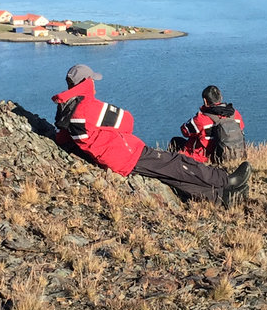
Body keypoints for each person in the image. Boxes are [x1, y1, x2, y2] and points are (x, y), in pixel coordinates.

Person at [53, 65, 247, 205]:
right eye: (93, 80)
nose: (95, 84)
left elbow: (63, 138)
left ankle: (222, 197)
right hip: (127, 153)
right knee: (179, 164)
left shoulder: (66, 110)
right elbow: (127, 122)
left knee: (172, 177)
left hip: (116, 158)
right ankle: (226, 180)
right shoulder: (88, 106)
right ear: (87, 83)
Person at [172, 85, 246, 165]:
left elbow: (184, 131)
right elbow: (241, 128)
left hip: (203, 158)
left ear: (205, 101)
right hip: (232, 154)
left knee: (175, 141)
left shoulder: (201, 119)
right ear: (221, 97)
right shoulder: (235, 114)